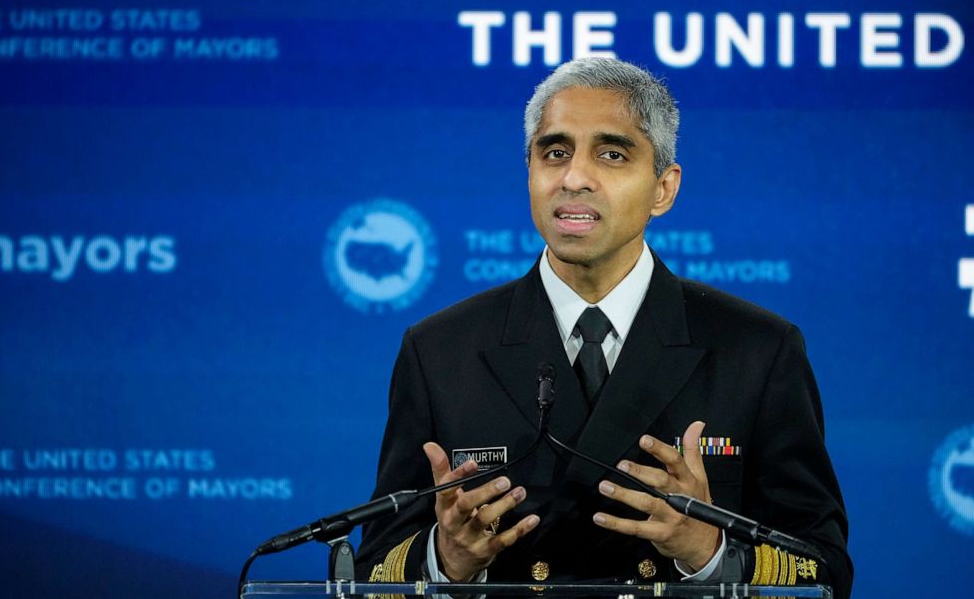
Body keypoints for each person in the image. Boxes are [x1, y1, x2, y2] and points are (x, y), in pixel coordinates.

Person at [355, 58, 852, 598]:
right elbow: (376, 567)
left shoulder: (758, 351)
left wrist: (706, 551)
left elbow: (824, 570)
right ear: (530, 173)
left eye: (612, 154)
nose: (574, 178)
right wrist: (447, 558)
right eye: (555, 153)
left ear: (664, 188)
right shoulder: (440, 351)